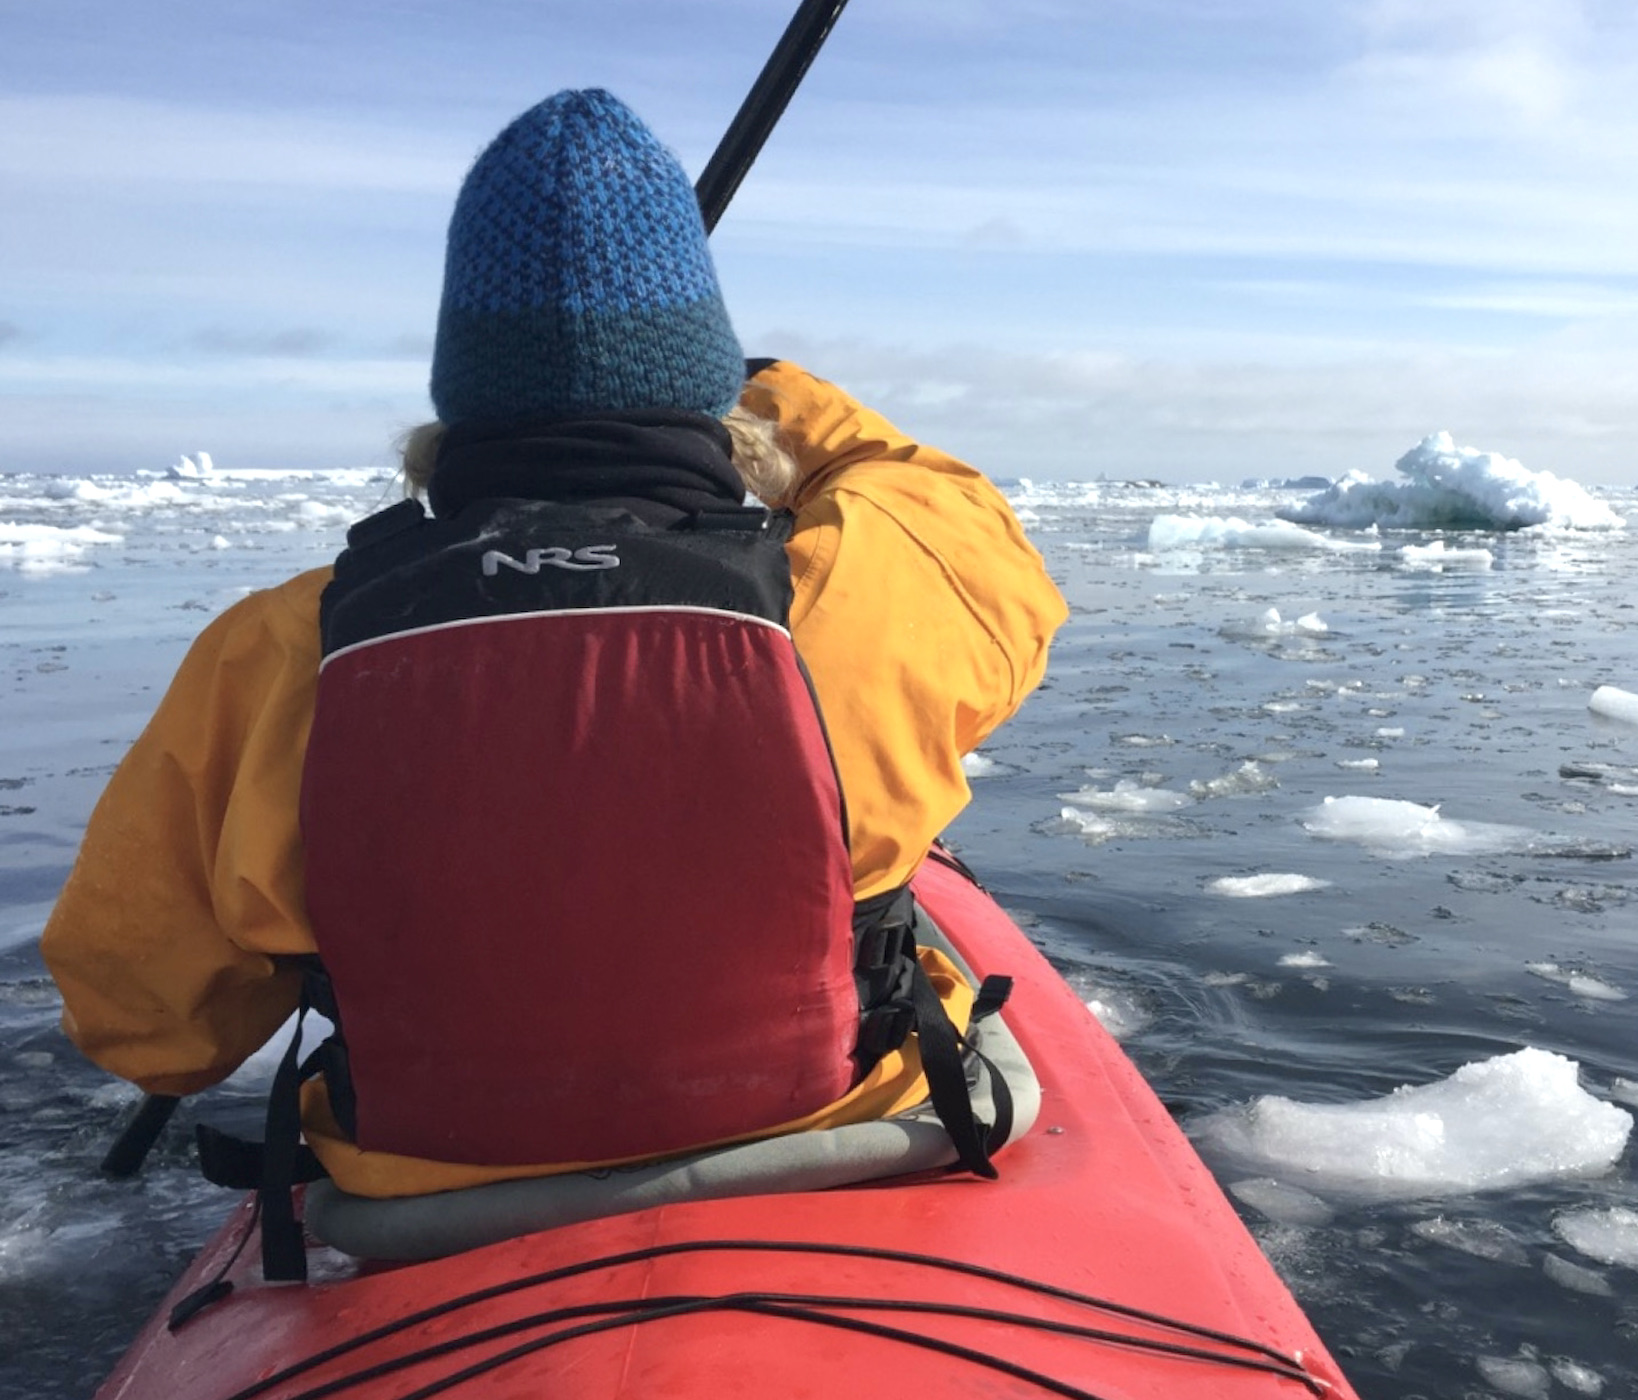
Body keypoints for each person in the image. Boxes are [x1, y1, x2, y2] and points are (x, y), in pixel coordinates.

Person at [40, 91, 1066, 1212]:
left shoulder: (281, 647)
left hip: (427, 1191)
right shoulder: (876, 581)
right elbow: (928, 489)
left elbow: (147, 1024)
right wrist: (760, 380)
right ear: (712, 393)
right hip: (836, 1131)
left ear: (459, 402)